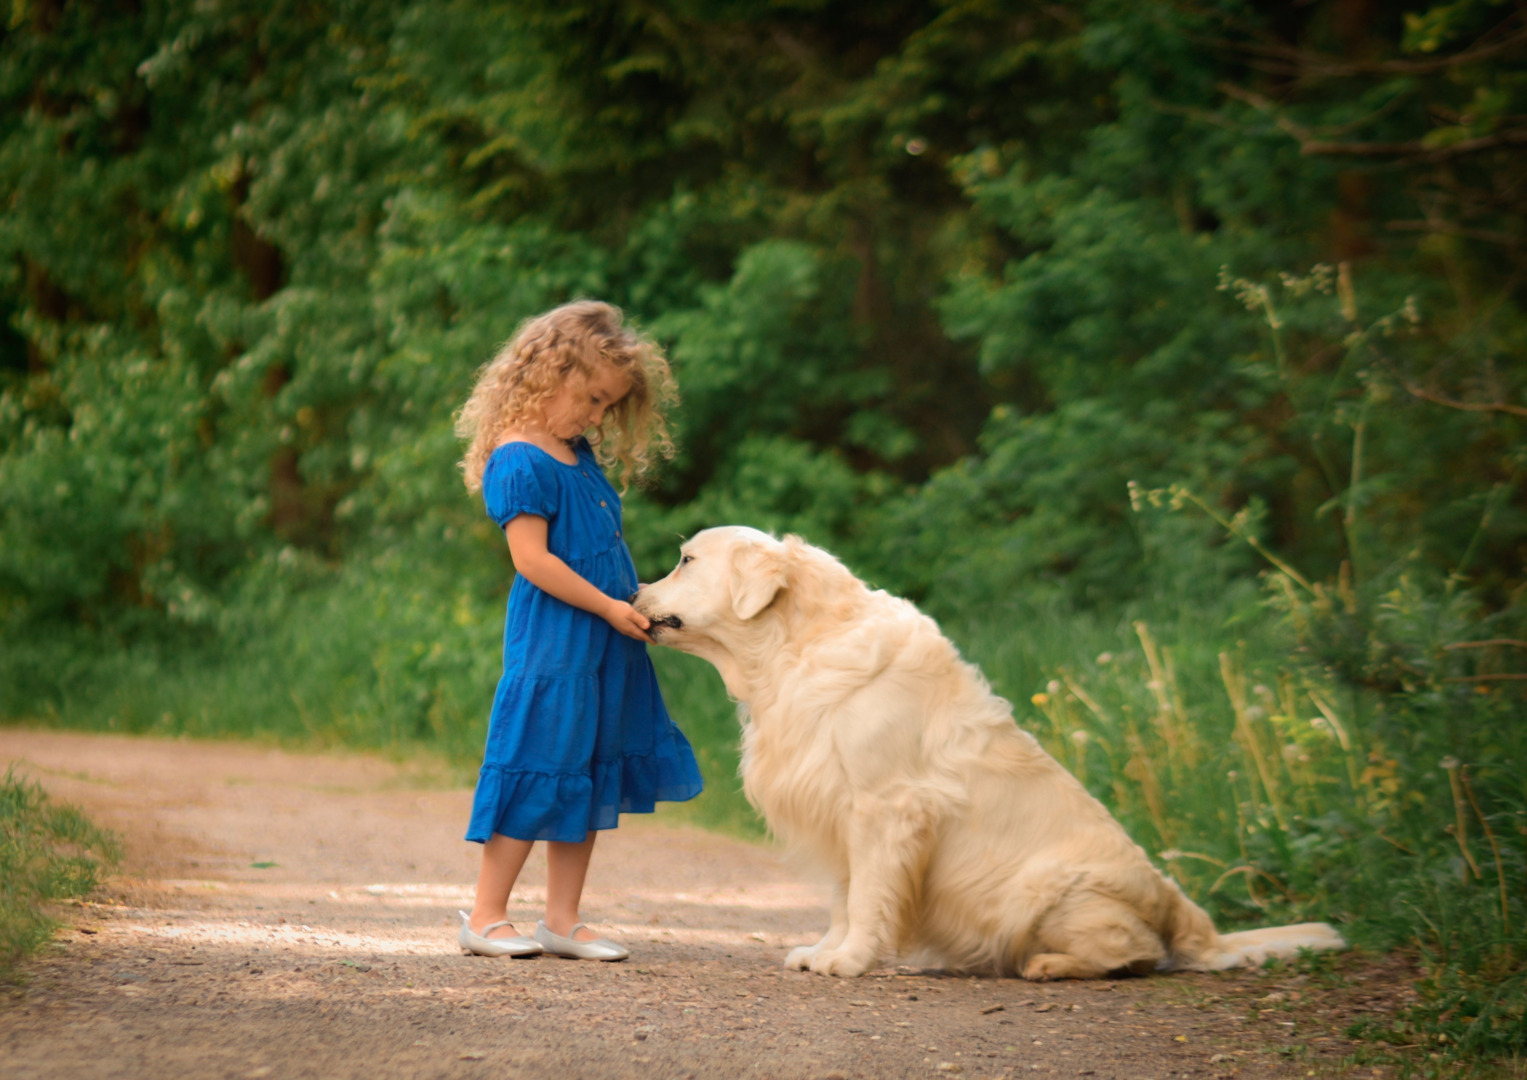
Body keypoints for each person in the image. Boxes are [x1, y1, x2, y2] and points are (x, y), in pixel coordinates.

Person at [452, 300, 703, 961]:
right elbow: (532, 560)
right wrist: (605, 606)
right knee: (538, 761)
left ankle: (561, 919)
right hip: (556, 643)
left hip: (603, 639)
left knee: (585, 770)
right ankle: (484, 914)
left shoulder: (575, 452)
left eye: (606, 409)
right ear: (549, 374)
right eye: (591, 399)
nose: (596, 418)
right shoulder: (519, 460)